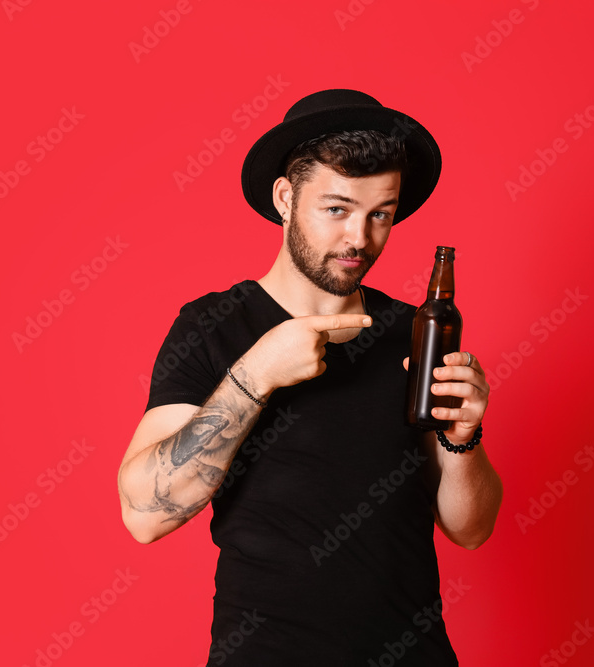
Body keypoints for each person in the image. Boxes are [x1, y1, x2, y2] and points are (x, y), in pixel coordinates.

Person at [117, 89, 502, 666]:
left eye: (381, 215)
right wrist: (255, 375)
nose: (359, 238)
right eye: (336, 209)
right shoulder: (214, 326)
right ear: (285, 197)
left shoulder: (411, 332)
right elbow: (145, 514)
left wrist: (463, 441)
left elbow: (469, 530)